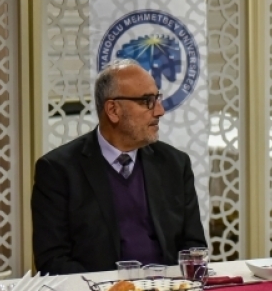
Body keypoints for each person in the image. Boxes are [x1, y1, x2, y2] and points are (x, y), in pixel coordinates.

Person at [31, 59, 207, 275]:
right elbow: (52, 261)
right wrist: (113, 288)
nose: (160, 111)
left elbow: (194, 248)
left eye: (157, 99)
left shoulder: (175, 164)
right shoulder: (58, 171)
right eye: (147, 101)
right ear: (113, 110)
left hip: (168, 289)